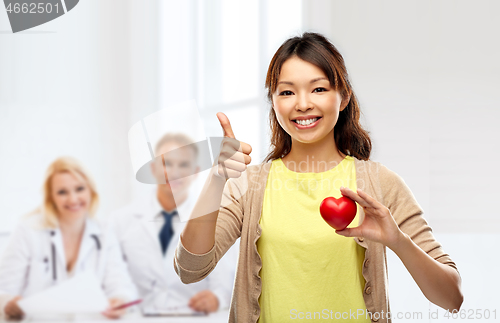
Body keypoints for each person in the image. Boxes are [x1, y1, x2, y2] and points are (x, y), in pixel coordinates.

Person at [173, 32, 463, 323]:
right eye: (286, 92)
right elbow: (190, 270)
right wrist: (216, 180)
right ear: (273, 102)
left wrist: (398, 241)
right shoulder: (250, 185)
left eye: (318, 89)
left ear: (344, 96)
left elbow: (451, 299)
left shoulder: (380, 183)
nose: (302, 104)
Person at [111, 133, 235, 314]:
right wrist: (119, 298)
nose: (174, 172)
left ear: (196, 171)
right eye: (166, 163)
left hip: (192, 317)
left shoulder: (213, 219)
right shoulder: (121, 221)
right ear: (153, 168)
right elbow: (115, 276)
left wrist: (216, 298)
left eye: (184, 165)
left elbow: (224, 282)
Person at [0, 157, 138, 320]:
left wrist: (120, 300)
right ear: (51, 198)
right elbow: (4, 290)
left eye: (79, 189)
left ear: (91, 191)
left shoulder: (105, 231)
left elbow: (120, 284)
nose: (73, 199)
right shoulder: (28, 231)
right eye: (62, 192)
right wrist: (9, 303)